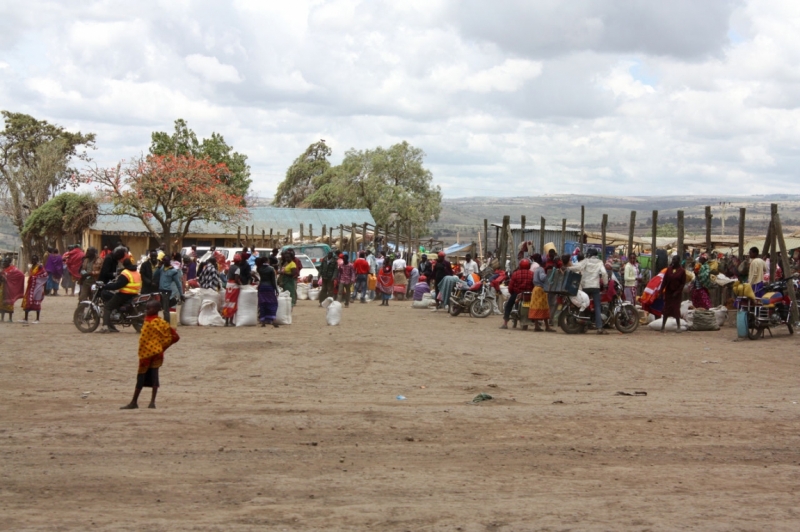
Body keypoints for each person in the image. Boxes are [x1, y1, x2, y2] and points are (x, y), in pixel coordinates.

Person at [121, 300, 179, 410]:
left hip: (146, 354)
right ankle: (150, 402)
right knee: (153, 376)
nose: (147, 311)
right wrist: (162, 347)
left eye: (150, 309)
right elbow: (173, 336)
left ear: (156, 310)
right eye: (147, 308)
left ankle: (137, 402)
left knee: (143, 377)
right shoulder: (160, 322)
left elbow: (173, 336)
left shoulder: (154, 322)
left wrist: (161, 346)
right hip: (156, 353)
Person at [568, 248, 608, 334]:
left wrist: (568, 268)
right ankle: (599, 327)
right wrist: (605, 283)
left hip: (585, 286)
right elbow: (604, 273)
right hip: (595, 287)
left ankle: (583, 326)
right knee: (597, 307)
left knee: (584, 304)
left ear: (589, 254)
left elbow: (577, 267)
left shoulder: (586, 261)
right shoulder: (600, 262)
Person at [99, 258, 141, 333]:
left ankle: (105, 326)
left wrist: (105, 286)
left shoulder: (126, 273)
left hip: (124, 295)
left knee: (107, 307)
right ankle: (112, 326)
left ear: (124, 265)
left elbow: (118, 285)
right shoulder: (136, 272)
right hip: (134, 294)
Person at [500, 258, 533, 329]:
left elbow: (511, 286)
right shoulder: (532, 274)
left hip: (517, 294)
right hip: (528, 295)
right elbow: (533, 285)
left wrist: (512, 293)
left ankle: (505, 323)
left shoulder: (515, 274)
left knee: (508, 306)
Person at [529, 256, 556, 332]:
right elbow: (542, 278)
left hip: (535, 289)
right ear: (544, 263)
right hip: (541, 290)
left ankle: (537, 326)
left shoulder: (537, 269)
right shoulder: (541, 269)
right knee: (544, 307)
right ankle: (547, 327)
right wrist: (550, 276)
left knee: (536, 307)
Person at [661, 255, 686, 333]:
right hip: (668, 293)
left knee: (676, 309)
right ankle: (662, 326)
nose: (673, 261)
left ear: (678, 261)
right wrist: (661, 291)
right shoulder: (669, 270)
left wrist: (677, 292)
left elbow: (682, 284)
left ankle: (678, 326)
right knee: (666, 309)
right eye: (673, 260)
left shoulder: (682, 271)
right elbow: (664, 281)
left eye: (675, 260)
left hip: (676, 294)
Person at [158, 256, 183, 325]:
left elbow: (178, 283)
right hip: (160, 291)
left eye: (165, 261)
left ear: (169, 262)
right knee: (162, 308)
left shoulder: (173, 271)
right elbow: (156, 275)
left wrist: (181, 294)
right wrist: (159, 266)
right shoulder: (162, 268)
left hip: (166, 292)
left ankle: (167, 325)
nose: (164, 262)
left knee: (166, 310)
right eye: (163, 261)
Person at [256, 256, 280, 327]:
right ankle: (274, 320)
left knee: (263, 304)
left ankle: (263, 321)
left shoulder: (260, 269)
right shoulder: (271, 269)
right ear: (267, 261)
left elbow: (260, 279)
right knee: (273, 303)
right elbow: (273, 281)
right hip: (269, 288)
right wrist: (276, 289)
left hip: (262, 287)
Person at [1, 257, 25, 322]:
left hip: (9, 289)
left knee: (9, 304)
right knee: (2, 304)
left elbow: (21, 275)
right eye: (3, 262)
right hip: (2, 289)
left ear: (9, 263)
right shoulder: (3, 270)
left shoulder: (13, 269)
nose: (3, 263)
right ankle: (2, 318)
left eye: (5, 262)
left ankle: (10, 318)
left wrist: (10, 281)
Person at [222, 253, 242, 325]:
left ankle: (226, 321)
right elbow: (236, 279)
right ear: (239, 261)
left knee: (227, 302)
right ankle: (231, 321)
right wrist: (241, 285)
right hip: (234, 286)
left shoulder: (230, 267)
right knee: (233, 303)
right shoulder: (238, 268)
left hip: (228, 285)